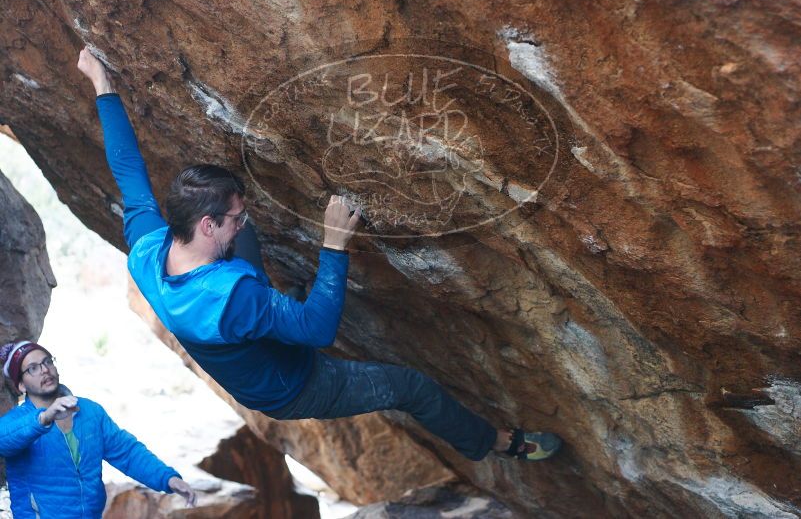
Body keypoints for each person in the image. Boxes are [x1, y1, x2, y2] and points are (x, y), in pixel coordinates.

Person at [77, 47, 562, 463]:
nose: (244, 220)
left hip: (233, 324)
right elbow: (317, 330)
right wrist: (334, 244)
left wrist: (102, 82)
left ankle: (275, 308)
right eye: (235, 218)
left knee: (253, 268)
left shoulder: (147, 250)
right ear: (206, 225)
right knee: (410, 386)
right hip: (296, 385)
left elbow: (127, 168)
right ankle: (499, 443)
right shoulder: (235, 297)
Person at [0, 340, 196, 518]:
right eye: (33, 368)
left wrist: (167, 478)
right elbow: (4, 440)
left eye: (48, 361)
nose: (44, 370)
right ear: (21, 385)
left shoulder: (89, 411)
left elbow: (127, 452)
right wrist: (43, 418)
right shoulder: (19, 421)